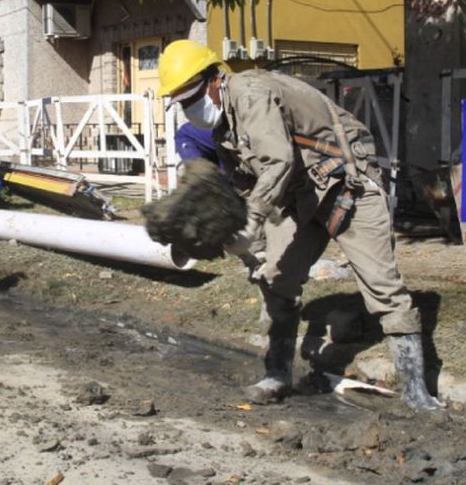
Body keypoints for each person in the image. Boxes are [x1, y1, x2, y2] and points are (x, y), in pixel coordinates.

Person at [157, 40, 441, 410]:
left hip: (347, 186)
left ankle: (418, 392)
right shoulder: (223, 125)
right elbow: (246, 181)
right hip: (298, 197)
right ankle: (276, 374)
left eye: (188, 97)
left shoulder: (249, 94)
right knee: (277, 278)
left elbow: (276, 164)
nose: (187, 108)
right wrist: (231, 225)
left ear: (212, 80)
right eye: (179, 102)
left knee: (382, 286)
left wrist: (252, 221)